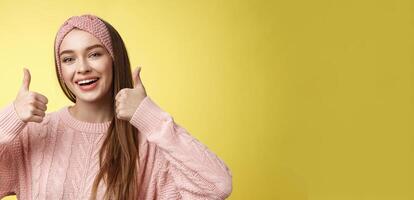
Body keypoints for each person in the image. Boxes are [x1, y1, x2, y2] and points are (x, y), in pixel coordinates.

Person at [0, 14, 232, 200]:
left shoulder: (148, 143)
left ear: (114, 59)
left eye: (94, 54)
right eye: (68, 59)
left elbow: (217, 187)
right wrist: (9, 119)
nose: (82, 68)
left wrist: (150, 117)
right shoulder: (33, 134)